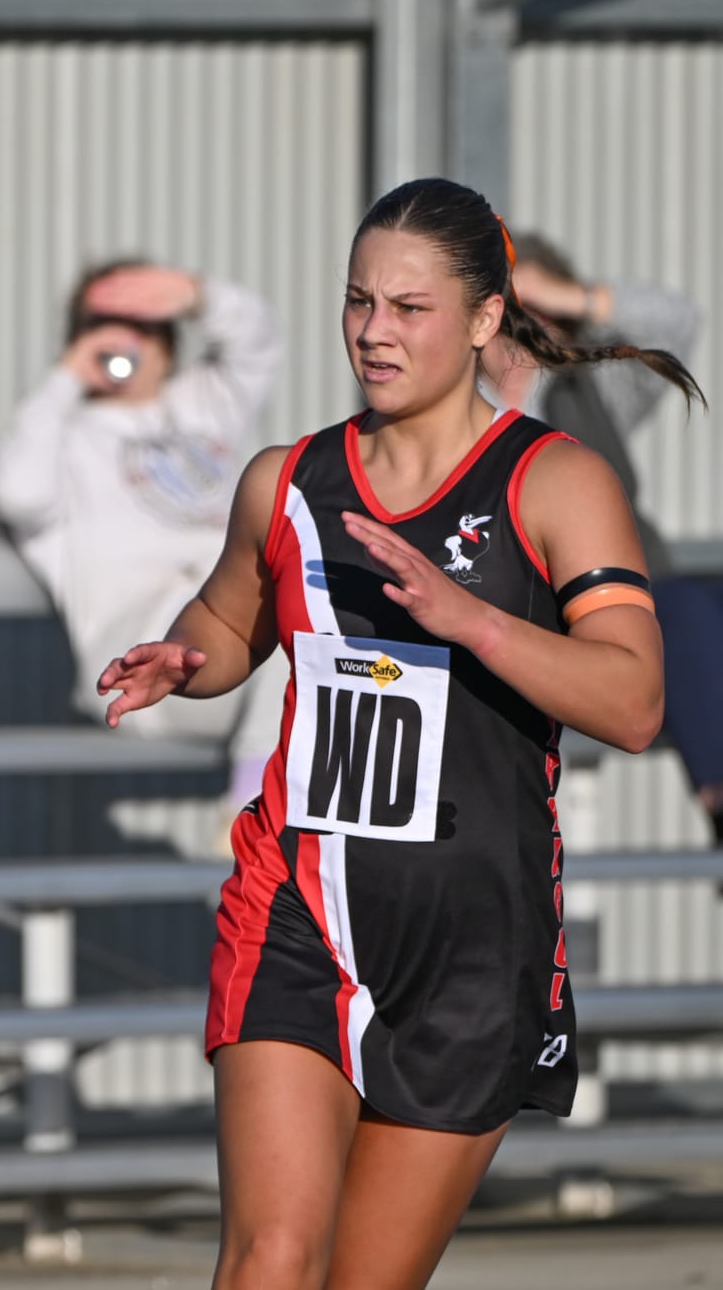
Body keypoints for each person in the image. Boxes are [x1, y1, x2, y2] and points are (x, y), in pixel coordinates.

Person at [96, 177, 700, 1290]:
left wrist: (466, 617)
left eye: (407, 307)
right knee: (269, 1256)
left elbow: (632, 701)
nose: (372, 331)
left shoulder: (554, 483)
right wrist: (186, 659)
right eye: (355, 300)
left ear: (482, 318)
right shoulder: (285, 482)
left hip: (477, 943)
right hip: (300, 906)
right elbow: (231, 617)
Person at [0, 262, 288, 822]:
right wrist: (67, 378)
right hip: (141, 664)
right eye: (102, 325)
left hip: (237, 637)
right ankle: (256, 814)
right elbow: (17, 494)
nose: (124, 341)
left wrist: (195, 295)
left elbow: (256, 341)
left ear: (170, 343)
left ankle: (267, 812)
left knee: (314, 623)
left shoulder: (201, 405)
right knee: (292, 622)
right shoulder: (66, 439)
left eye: (142, 325)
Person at [478, 237, 723, 843]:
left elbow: (677, 322)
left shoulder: (588, 389)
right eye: (511, 310)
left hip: (608, 588)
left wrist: (561, 294)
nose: (527, 326)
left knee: (688, 607)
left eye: (541, 311)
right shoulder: (451, 405)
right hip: (507, 598)